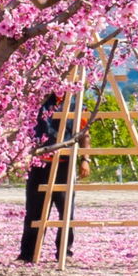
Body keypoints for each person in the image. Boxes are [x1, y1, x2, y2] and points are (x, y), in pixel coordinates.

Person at [19, 93, 89, 261]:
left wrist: (85, 159)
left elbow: (84, 133)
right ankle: (28, 253)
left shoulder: (76, 103)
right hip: (39, 162)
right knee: (34, 211)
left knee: (66, 211)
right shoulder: (38, 99)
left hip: (65, 162)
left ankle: (65, 252)